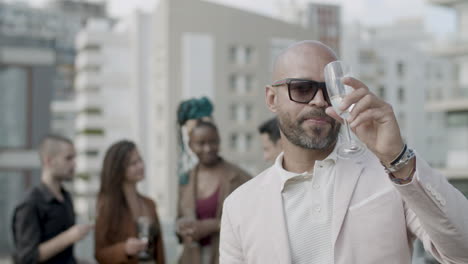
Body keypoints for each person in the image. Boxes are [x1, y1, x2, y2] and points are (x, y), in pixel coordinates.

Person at [219, 40, 468, 264]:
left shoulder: (393, 176)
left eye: (329, 89)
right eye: (303, 89)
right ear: (272, 99)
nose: (319, 100)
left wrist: (397, 156)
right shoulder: (240, 206)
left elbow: (462, 252)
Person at [177, 120, 251, 264]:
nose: (208, 148)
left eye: (213, 142)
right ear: (190, 146)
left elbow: (254, 221)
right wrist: (181, 228)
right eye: (201, 143)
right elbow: (179, 218)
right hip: (191, 258)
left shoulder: (240, 177)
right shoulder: (185, 180)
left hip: (228, 257)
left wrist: (213, 225)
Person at [12, 135, 92, 264]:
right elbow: (27, 257)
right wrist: (69, 237)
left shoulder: (66, 198)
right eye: (68, 158)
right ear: (48, 161)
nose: (74, 164)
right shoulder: (30, 204)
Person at [95, 140, 165, 264]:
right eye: (133, 163)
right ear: (118, 169)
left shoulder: (150, 204)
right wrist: (124, 249)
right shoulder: (107, 206)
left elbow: (159, 250)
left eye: (140, 160)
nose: (140, 166)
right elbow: (100, 254)